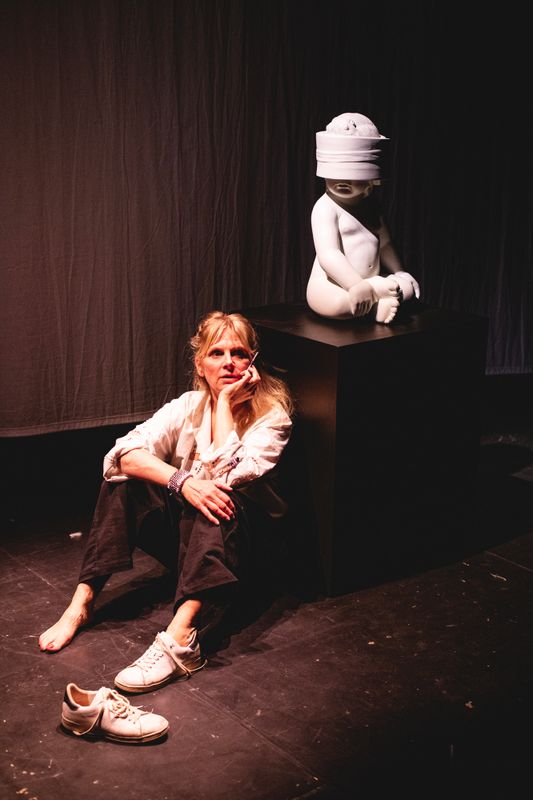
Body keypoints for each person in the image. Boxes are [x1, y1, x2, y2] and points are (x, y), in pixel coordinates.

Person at [39, 311, 293, 693]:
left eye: (239, 353)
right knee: (125, 483)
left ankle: (182, 640)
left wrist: (225, 403)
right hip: (195, 546)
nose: (228, 362)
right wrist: (181, 481)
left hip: (244, 552)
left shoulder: (272, 417)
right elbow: (120, 456)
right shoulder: (188, 406)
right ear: (200, 364)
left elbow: (224, 477)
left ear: (252, 362)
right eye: (217, 353)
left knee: (216, 496)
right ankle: (82, 603)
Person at [306, 112, 420, 323]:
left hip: (369, 280)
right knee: (334, 304)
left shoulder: (372, 205)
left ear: (371, 182)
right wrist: (355, 284)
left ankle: (375, 296)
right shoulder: (325, 208)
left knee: (405, 287)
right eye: (336, 175)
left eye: (353, 176)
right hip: (333, 286)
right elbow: (329, 254)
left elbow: (385, 244)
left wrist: (399, 271)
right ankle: (374, 298)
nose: (342, 181)